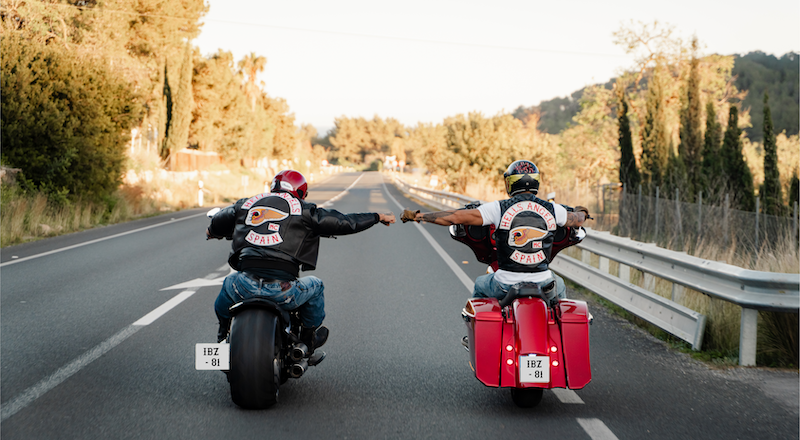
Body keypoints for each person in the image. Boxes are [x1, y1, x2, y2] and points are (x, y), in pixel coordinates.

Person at [207, 170, 396, 353]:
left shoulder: (247, 203)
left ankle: (222, 337)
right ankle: (307, 341)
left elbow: (218, 220)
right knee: (316, 286)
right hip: (283, 291)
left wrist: (211, 232)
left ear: (273, 187)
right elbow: (344, 222)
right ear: (301, 192)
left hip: (243, 286)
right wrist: (377, 217)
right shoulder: (304, 209)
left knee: (227, 284)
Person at [402, 160, 589, 301]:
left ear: (510, 184)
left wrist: (418, 216)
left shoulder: (498, 208)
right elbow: (578, 219)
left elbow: (455, 217)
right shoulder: (553, 209)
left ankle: (475, 332)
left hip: (505, 284)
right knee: (561, 292)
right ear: (536, 183)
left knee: (480, 285)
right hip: (543, 282)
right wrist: (582, 211)